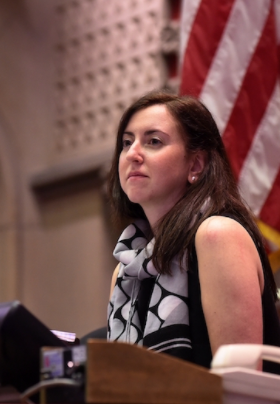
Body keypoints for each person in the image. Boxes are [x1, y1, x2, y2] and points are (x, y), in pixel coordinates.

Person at [107, 90, 280, 372]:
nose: (133, 154)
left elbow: (244, 387)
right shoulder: (127, 269)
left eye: (153, 141)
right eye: (127, 143)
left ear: (195, 165)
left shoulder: (218, 235)